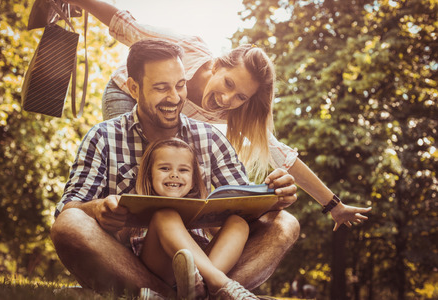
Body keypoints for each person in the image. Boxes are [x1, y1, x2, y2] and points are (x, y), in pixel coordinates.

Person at [63, 0, 372, 232]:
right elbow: (124, 23)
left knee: (172, 173)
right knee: (138, 167)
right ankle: (113, 241)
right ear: (216, 65)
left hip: (175, 122)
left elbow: (283, 157)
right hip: (128, 94)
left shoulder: (231, 111)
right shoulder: (185, 48)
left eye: (240, 97)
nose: (226, 99)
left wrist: (333, 205)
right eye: (227, 84)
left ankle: (171, 253)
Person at [50, 38, 299, 299]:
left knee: (285, 223)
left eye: (180, 85)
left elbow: (244, 207)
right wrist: (97, 209)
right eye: (161, 88)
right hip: (134, 263)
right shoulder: (102, 137)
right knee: (68, 223)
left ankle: (212, 290)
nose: (174, 97)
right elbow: (70, 207)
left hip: (206, 259)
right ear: (134, 88)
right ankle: (176, 295)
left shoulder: (210, 139)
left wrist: (273, 198)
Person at [134, 137, 258, 299]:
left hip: (199, 272)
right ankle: (220, 284)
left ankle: (199, 291)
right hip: (157, 273)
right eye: (164, 168)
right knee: (165, 215)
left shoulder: (201, 211)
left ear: (193, 181)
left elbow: (227, 238)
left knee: (238, 223)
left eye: (183, 170)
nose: (174, 175)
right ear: (150, 176)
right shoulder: (137, 206)